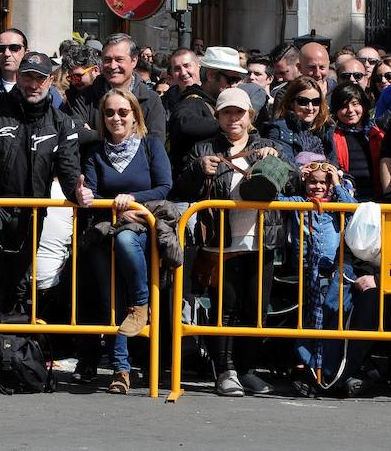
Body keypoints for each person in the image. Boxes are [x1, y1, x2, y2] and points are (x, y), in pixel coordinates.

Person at [0, 51, 84, 334]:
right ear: (18, 77)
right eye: (27, 77)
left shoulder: (63, 122)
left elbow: (71, 174)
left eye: (39, 78)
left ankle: (1, 363)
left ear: (50, 81)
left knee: (13, 292)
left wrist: (80, 193)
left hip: (30, 214)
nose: (33, 84)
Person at [175, 88, 288, 397]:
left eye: (239, 112)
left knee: (255, 310)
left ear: (250, 116)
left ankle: (247, 369)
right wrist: (199, 170)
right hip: (218, 241)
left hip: (260, 239)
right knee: (224, 308)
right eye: (227, 112)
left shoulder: (267, 145)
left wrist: (276, 159)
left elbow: (292, 178)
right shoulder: (203, 148)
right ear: (218, 116)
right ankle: (225, 370)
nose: (233, 117)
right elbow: (181, 186)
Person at [82, 89, 171, 394]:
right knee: (112, 303)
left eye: (123, 112)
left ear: (135, 115)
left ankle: (141, 303)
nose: (116, 118)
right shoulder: (95, 153)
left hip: (141, 230)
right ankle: (120, 369)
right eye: (109, 113)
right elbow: (92, 195)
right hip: (106, 228)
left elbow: (164, 186)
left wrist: (133, 201)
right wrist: (112, 204)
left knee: (126, 245)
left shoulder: (151, 145)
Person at [276, 158, 356, 391]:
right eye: (312, 182)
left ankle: (326, 369)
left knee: (331, 317)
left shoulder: (337, 205)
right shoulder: (299, 201)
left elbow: (354, 208)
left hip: (331, 272)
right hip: (305, 271)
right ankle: (307, 367)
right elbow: (274, 199)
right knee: (308, 320)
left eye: (324, 183)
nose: (318, 187)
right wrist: (294, 177)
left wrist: (338, 182)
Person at [68, 33, 166, 148]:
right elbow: (74, 134)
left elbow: (155, 144)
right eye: (107, 60)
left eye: (119, 59)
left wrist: (94, 135)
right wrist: (120, 137)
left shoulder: (151, 100)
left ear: (134, 61)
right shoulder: (84, 97)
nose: (113, 66)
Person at [263, 76, 336, 165]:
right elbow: (286, 166)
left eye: (316, 102)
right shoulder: (278, 129)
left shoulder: (327, 128)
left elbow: (335, 165)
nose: (310, 107)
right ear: (291, 103)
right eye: (303, 101)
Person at [330, 83, 383, 200]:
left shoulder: (377, 133)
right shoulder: (331, 135)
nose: (350, 110)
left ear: (363, 105)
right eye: (344, 106)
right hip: (346, 200)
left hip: (377, 199)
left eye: (355, 104)